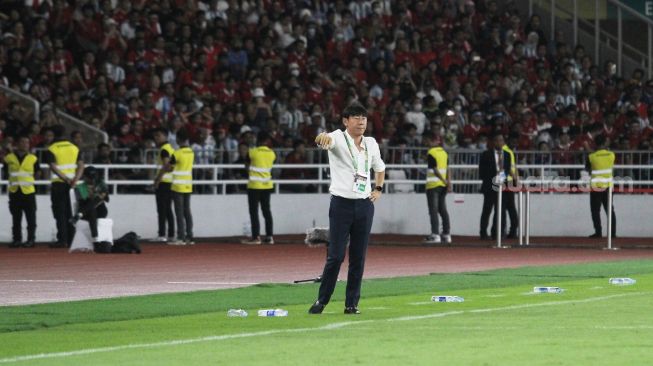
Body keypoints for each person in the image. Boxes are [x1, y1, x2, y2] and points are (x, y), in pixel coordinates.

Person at [309, 102, 386, 315]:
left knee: (358, 257)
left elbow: (380, 168)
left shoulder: (371, 143)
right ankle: (321, 300)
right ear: (345, 121)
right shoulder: (337, 137)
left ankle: (351, 304)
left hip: (364, 205)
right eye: (356, 117)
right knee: (335, 256)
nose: (361, 121)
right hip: (341, 204)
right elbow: (325, 140)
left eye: (364, 118)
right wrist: (321, 137)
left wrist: (378, 189)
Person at [45, 125, 84, 248]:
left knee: (59, 212)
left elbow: (53, 167)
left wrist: (65, 179)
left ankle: (62, 239)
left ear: (53, 134)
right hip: (73, 184)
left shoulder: (51, 148)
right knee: (70, 212)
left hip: (59, 184)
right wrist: (75, 179)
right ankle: (71, 239)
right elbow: (81, 165)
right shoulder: (74, 147)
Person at [3, 136, 39, 248]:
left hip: (28, 192)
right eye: (22, 142)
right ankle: (17, 240)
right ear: (17, 144)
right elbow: (5, 170)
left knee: (31, 218)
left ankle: (31, 240)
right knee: (16, 218)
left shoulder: (33, 158)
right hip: (14, 191)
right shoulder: (9, 157)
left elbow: (38, 172)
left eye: (27, 142)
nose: (25, 144)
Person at [241, 131, 276, 245]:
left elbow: (246, 166)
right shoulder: (272, 153)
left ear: (258, 140)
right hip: (267, 185)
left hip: (254, 186)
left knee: (254, 212)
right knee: (267, 211)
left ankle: (256, 237)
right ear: (267, 141)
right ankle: (269, 236)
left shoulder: (252, 152)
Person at [166, 128, 194, 245]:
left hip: (178, 186)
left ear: (178, 139)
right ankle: (189, 236)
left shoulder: (176, 153)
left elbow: (170, 167)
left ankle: (180, 237)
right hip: (188, 185)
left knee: (179, 212)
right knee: (187, 211)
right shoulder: (191, 152)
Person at [586, 135, 617, 238]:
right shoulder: (611, 155)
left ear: (595, 143)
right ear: (604, 143)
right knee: (610, 210)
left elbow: (588, 170)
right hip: (608, 186)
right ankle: (612, 233)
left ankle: (598, 232)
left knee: (595, 211)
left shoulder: (591, 156)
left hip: (596, 186)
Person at [423, 135, 451, 244]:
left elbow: (434, 170)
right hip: (443, 186)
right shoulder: (444, 153)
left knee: (433, 211)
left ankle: (435, 234)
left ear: (433, 141)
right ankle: (446, 234)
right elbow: (448, 169)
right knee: (443, 210)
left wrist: (444, 181)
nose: (428, 143)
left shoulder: (431, 153)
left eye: (429, 140)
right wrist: (448, 183)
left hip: (433, 185)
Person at [71, 166, 109, 243]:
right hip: (87, 213)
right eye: (90, 177)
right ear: (84, 177)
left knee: (96, 202)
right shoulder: (79, 187)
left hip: (100, 211)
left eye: (94, 177)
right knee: (91, 209)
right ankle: (95, 237)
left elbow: (105, 197)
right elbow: (83, 201)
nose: (92, 179)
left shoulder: (101, 183)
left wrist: (96, 193)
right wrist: (90, 195)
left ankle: (79, 215)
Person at [152, 128, 175, 242]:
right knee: (168, 209)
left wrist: (157, 180)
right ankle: (171, 234)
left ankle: (162, 234)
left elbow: (166, 165)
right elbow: (171, 166)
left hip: (163, 183)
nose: (156, 138)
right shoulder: (171, 149)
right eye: (155, 136)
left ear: (165, 136)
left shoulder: (164, 150)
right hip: (170, 182)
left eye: (158, 135)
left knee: (162, 209)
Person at [501, 134, 520, 238]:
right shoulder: (507, 151)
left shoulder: (508, 151)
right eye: (514, 142)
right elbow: (510, 169)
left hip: (507, 182)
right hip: (508, 182)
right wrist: (516, 180)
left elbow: (512, 168)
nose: (515, 144)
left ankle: (505, 231)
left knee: (505, 208)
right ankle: (512, 231)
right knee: (510, 208)